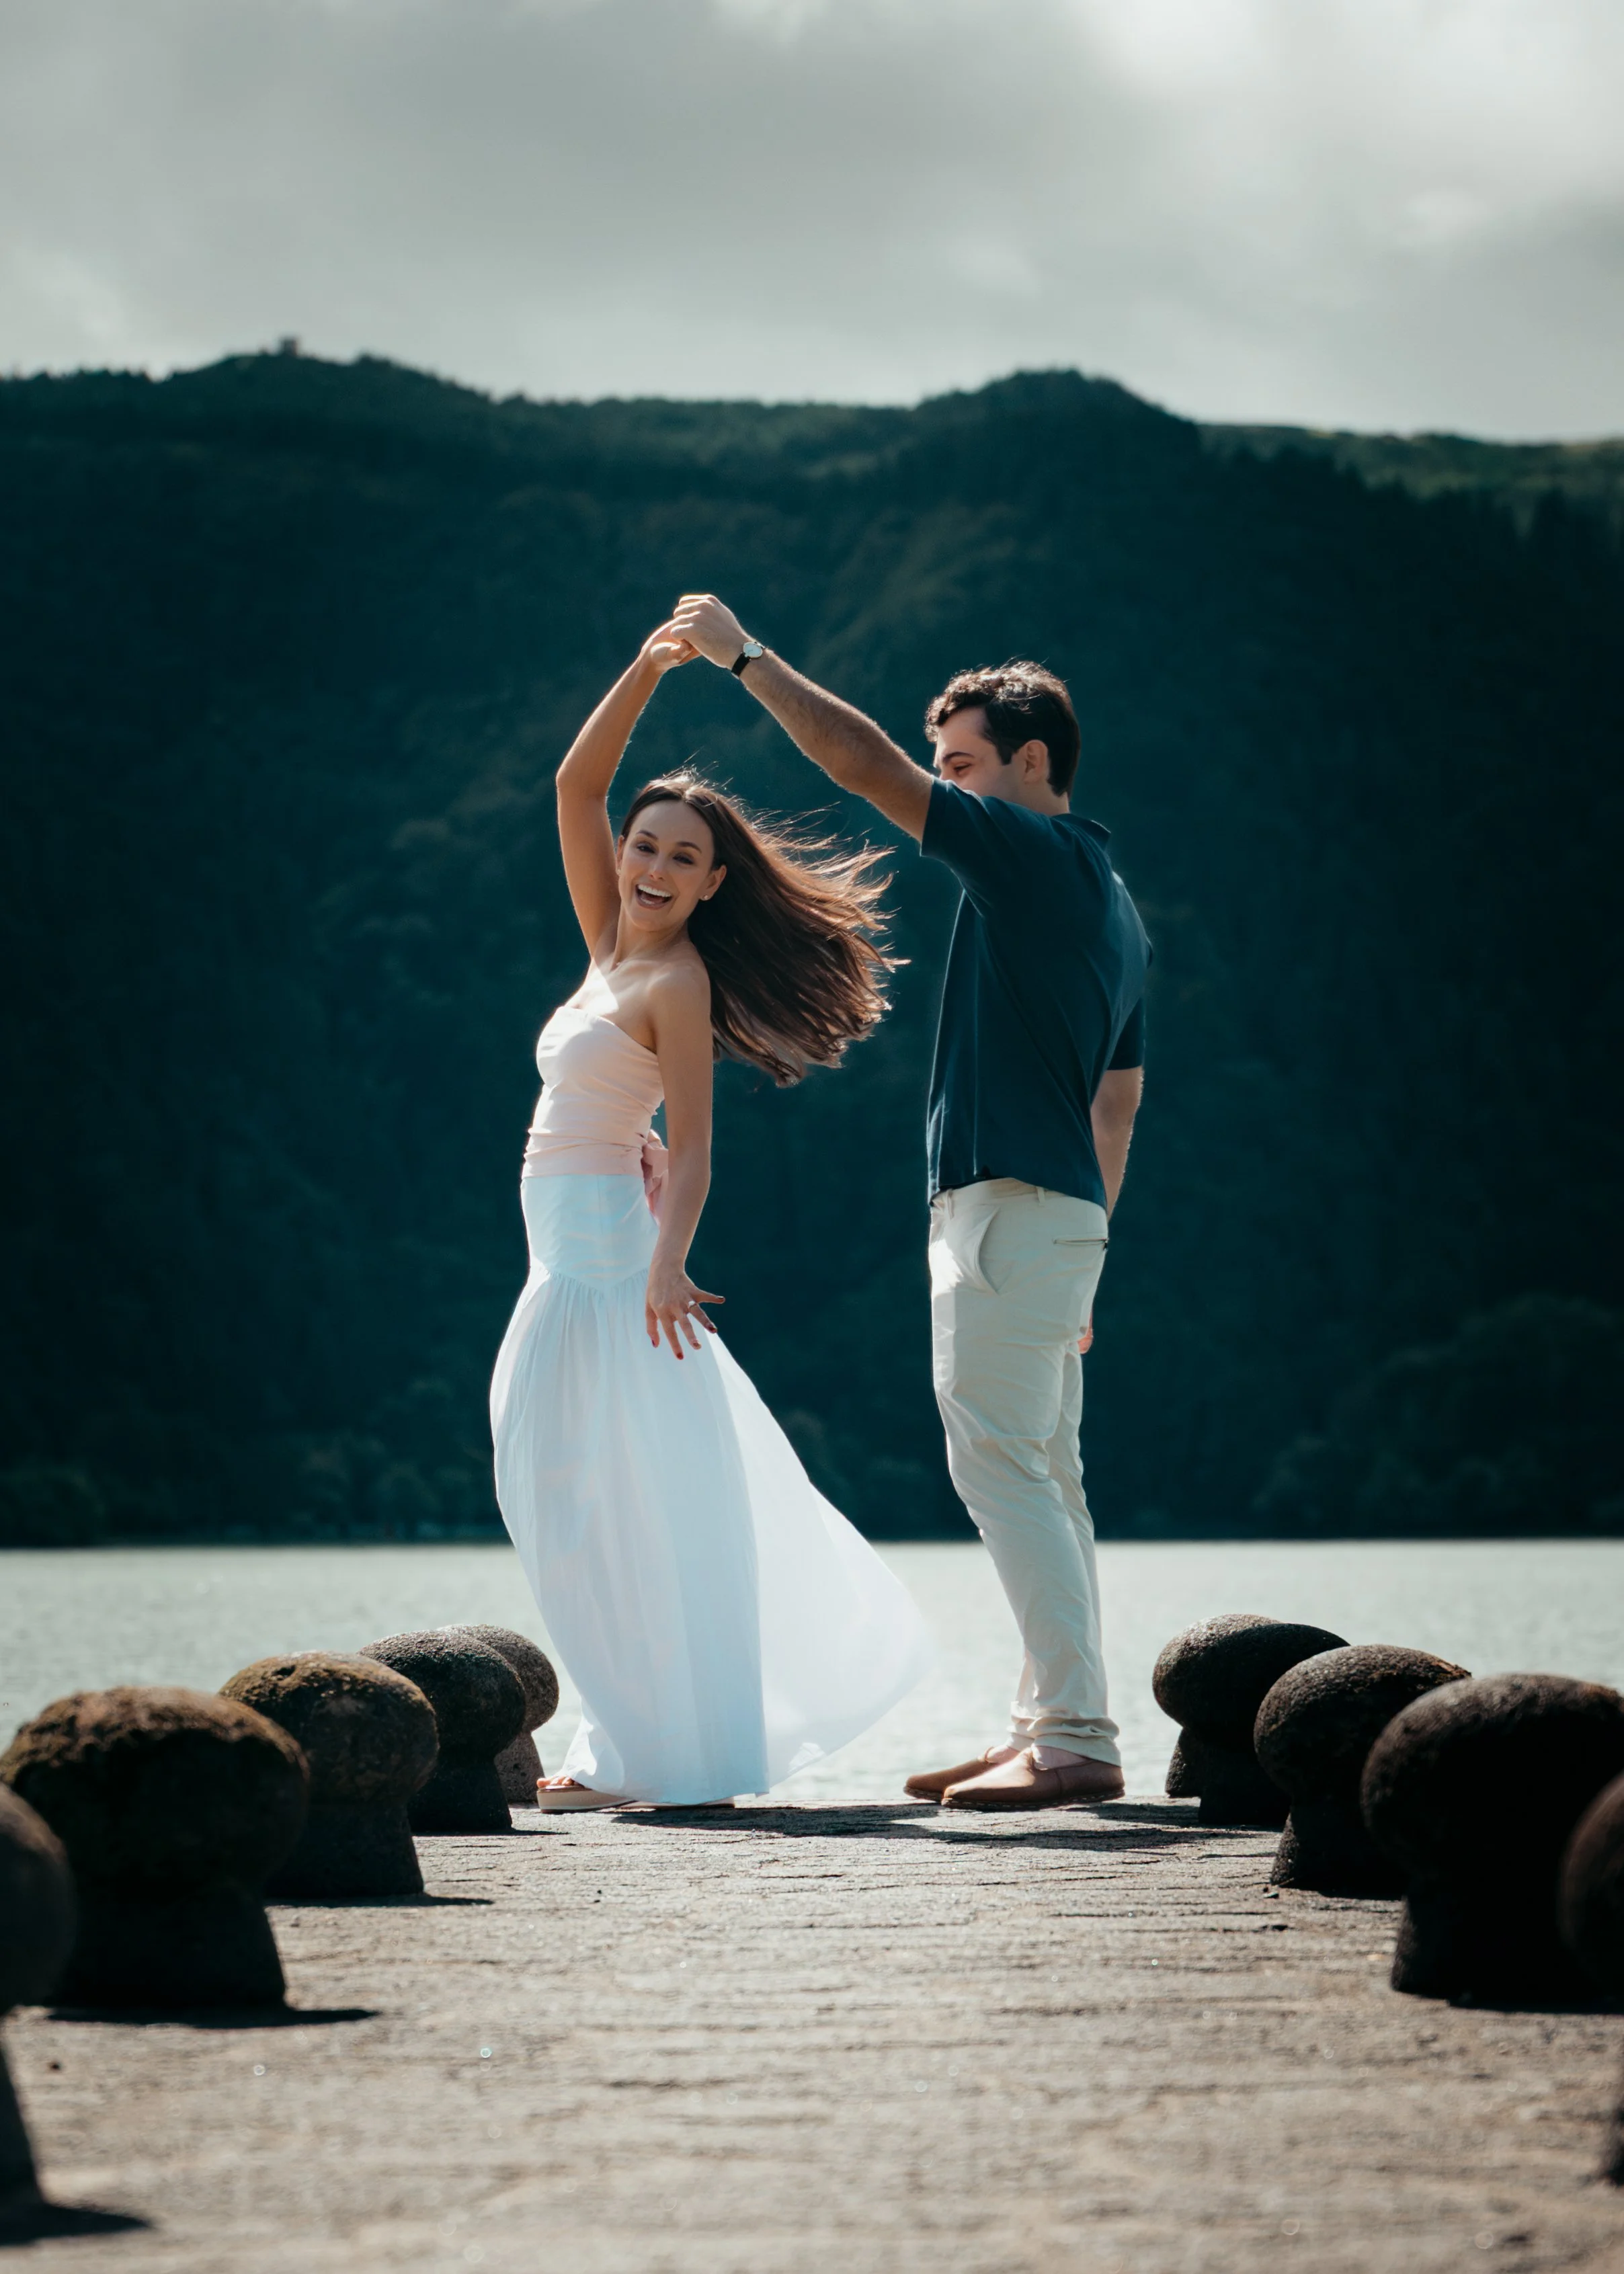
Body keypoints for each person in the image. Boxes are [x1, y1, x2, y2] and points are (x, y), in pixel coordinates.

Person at [669, 594, 1150, 1813]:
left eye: (965, 763)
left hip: (1005, 1211)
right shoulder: (1117, 903)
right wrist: (1092, 1254)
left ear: (1031, 763)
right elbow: (1119, 1108)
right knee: (1046, 1472)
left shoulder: (1028, 852)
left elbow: (860, 764)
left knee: (1000, 1465)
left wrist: (744, 656)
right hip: (1060, 1221)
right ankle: (1052, 1722)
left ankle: (1077, 1735)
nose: (946, 784)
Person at [489, 620, 932, 1811]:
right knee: (569, 1504)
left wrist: (666, 1264)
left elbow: (693, 1148)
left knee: (630, 1508)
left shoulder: (677, 984)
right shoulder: (605, 948)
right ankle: (632, 1746)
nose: (655, 867)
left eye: (684, 858)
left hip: (612, 1268)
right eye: (647, 845)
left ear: (713, 881)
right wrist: (644, 666)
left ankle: (654, 1759)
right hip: (561, 1262)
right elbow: (577, 783)